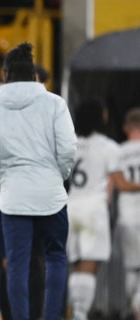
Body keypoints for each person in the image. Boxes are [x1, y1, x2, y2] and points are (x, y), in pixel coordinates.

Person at [0, 42, 77, 320]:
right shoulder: (55, 104)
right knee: (55, 258)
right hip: (51, 195)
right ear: (33, 75)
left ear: (5, 75)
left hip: (14, 197)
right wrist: (58, 175)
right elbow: (67, 150)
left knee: (16, 264)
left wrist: (3, 177)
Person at [67, 99, 140, 320]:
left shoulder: (68, 144)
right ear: (99, 118)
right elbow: (121, 184)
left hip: (71, 208)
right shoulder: (108, 147)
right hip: (93, 210)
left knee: (76, 264)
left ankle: (76, 311)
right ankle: (80, 313)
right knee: (90, 265)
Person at [117, 107, 140, 318]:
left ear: (126, 128)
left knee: (132, 269)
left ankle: (135, 309)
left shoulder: (118, 151)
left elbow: (113, 184)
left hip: (128, 216)